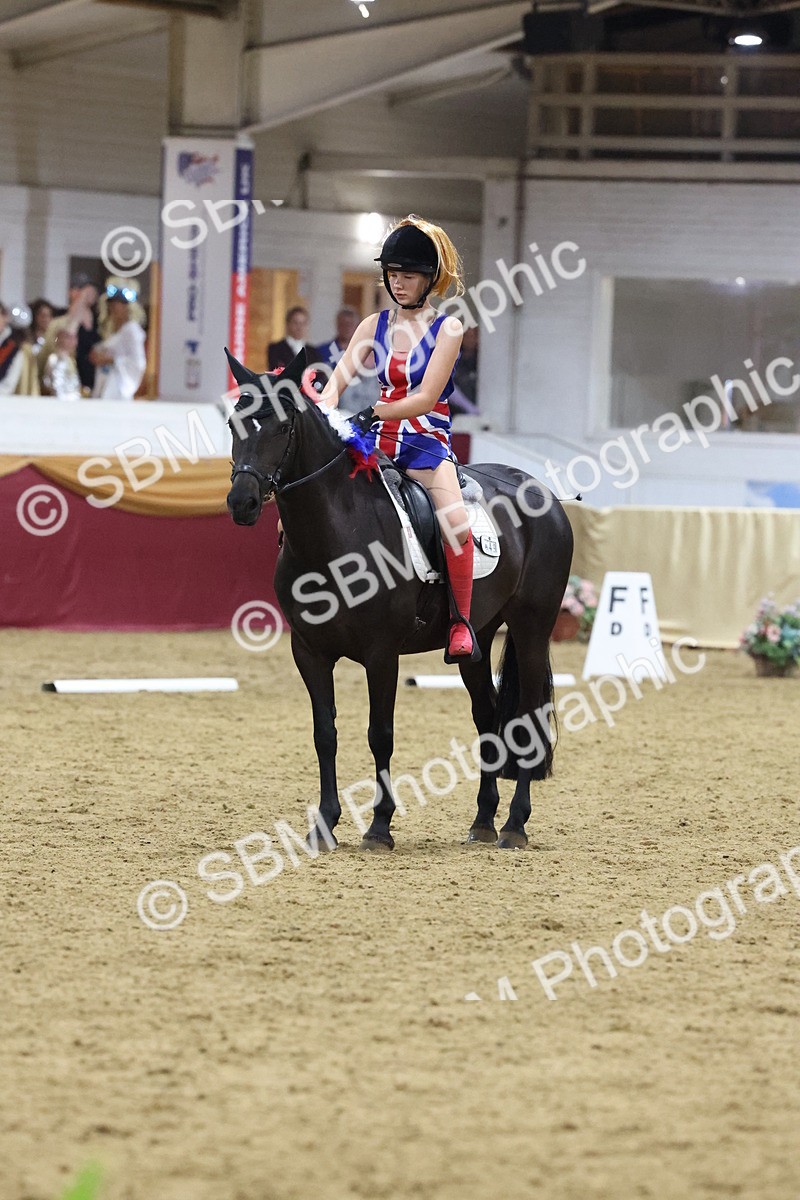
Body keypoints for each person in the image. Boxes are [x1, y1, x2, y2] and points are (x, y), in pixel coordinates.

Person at [317, 214, 477, 661]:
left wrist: (373, 411)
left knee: (455, 523)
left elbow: (426, 398)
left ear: (429, 279)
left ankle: (461, 621)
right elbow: (337, 382)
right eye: (393, 275)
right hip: (374, 441)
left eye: (408, 276)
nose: (398, 284)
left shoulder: (448, 329)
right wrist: (319, 414)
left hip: (425, 442)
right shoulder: (372, 325)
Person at [39, 273, 100, 392]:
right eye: (82, 290)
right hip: (67, 383)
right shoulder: (59, 322)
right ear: (71, 292)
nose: (89, 294)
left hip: (94, 385)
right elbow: (50, 348)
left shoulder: (99, 322)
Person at [90, 277, 147, 401]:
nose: (114, 308)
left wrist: (110, 360)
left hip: (118, 386)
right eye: (111, 304)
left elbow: (138, 362)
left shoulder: (132, 330)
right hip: (104, 381)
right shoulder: (112, 329)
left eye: (118, 304)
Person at [315, 305, 380, 413]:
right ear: (337, 325)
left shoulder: (369, 353)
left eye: (350, 324)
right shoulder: (322, 351)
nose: (347, 328)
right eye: (343, 324)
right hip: (337, 408)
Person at [267, 306, 320, 372]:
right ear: (288, 324)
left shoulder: (313, 352)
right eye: (296, 323)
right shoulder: (276, 349)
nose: (299, 327)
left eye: (303, 323)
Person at [42, 328, 81, 401]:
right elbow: (57, 387)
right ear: (60, 339)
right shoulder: (56, 359)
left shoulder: (70, 359)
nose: (73, 340)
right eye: (69, 337)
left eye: (74, 337)